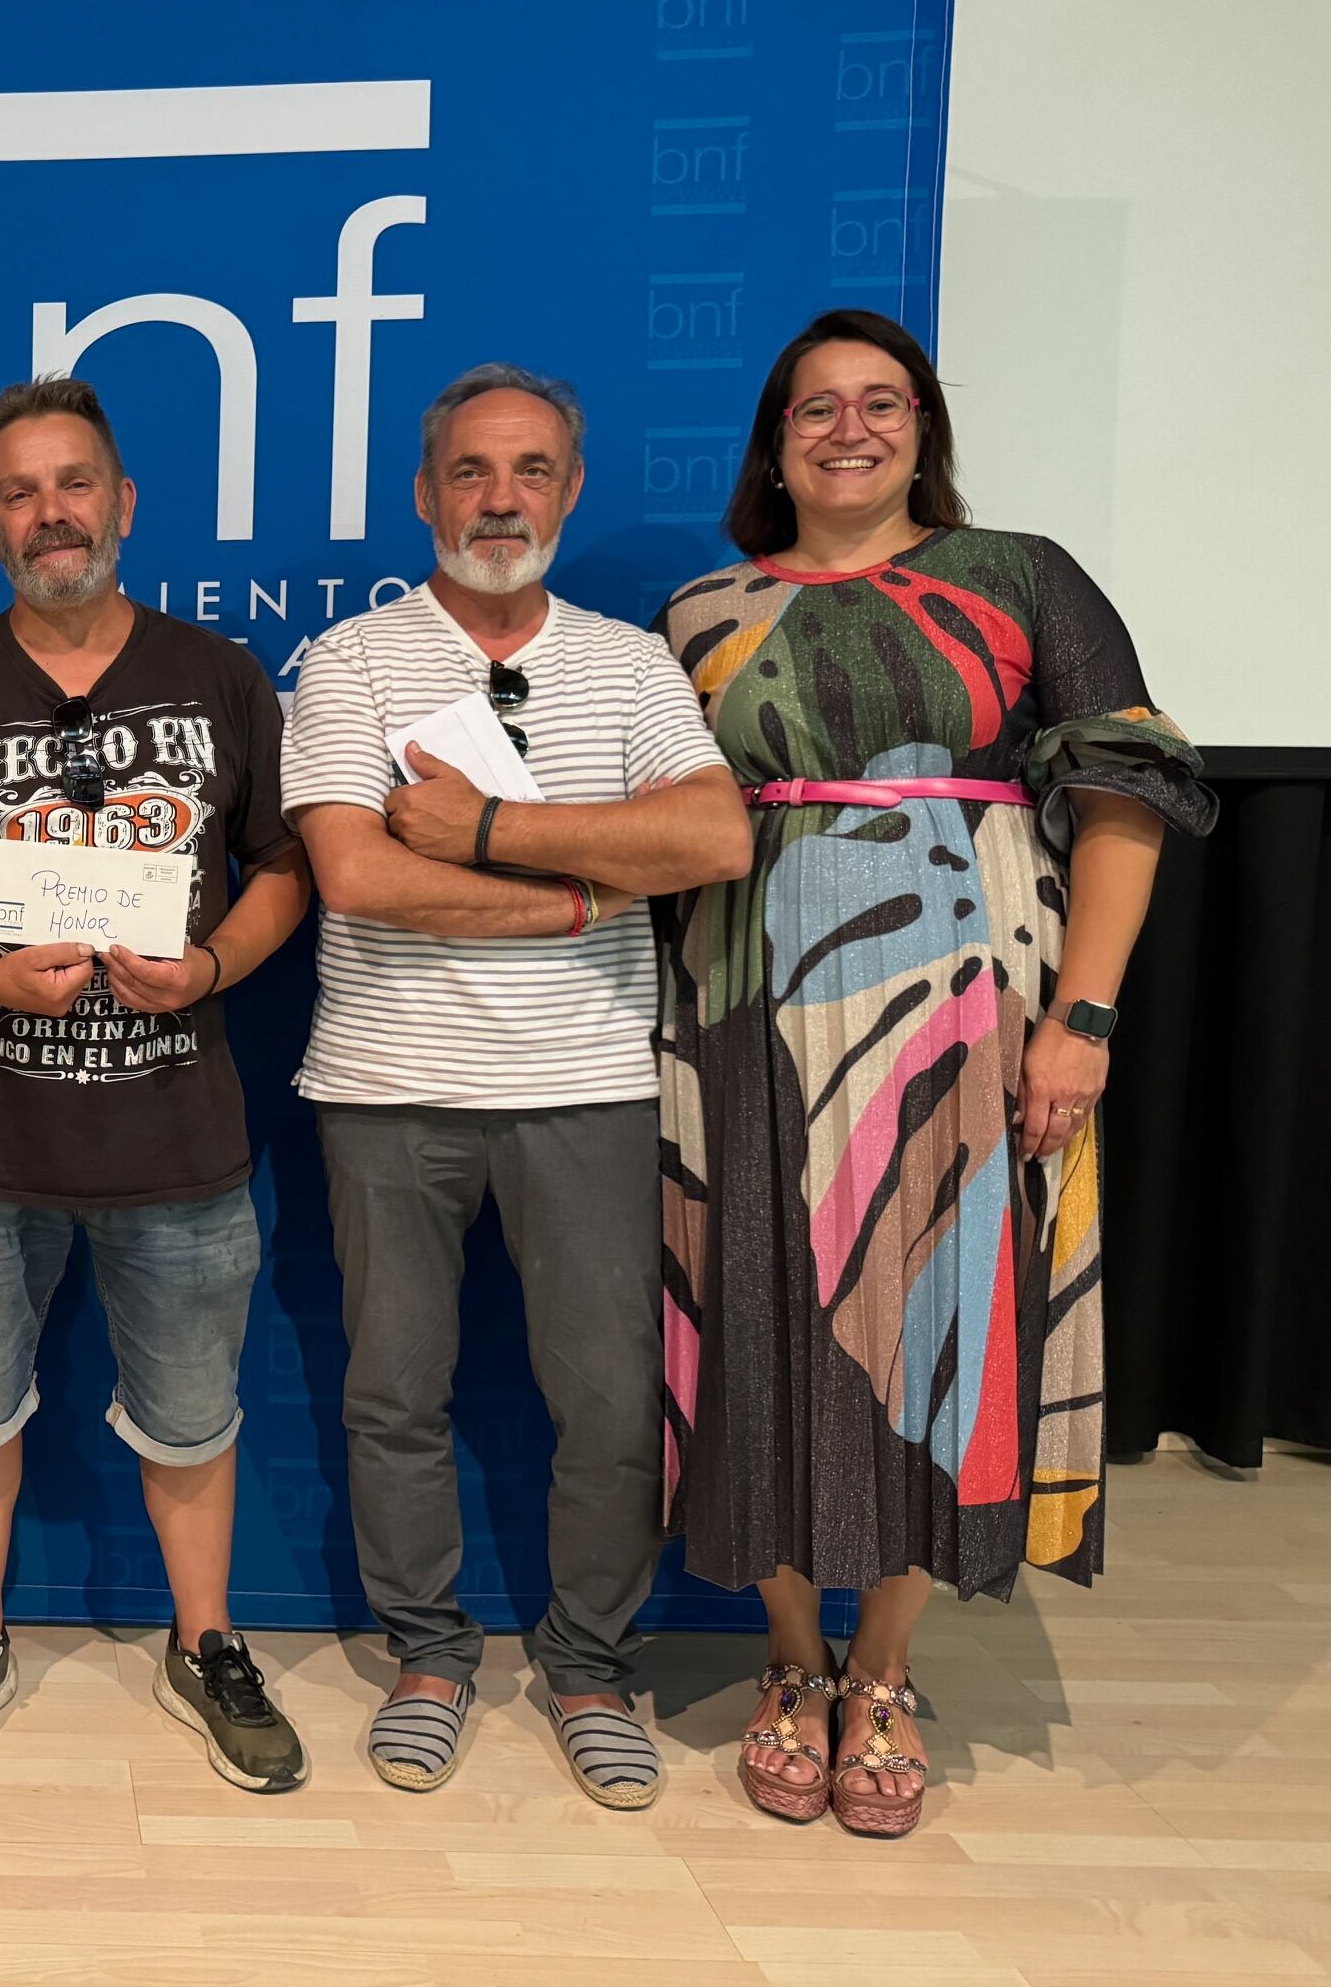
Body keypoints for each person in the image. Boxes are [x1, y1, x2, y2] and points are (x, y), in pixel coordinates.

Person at [658, 310, 1213, 1837]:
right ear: (775, 441)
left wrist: (1080, 1019)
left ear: (924, 425)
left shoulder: (1021, 577)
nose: (850, 427)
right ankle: (787, 1657)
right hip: (733, 1005)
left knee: (946, 1327)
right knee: (754, 1310)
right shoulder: (700, 610)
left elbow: (1125, 795)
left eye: (881, 401)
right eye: (816, 406)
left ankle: (886, 1666)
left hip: (965, 1000)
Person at [281, 362, 751, 1811]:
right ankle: (429, 1652)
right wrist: (576, 890)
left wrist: (487, 826)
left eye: (531, 469)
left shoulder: (630, 661)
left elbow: (716, 837)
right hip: (387, 1082)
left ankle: (590, 1663)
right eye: (473, 472)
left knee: (611, 1401)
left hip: (589, 1085)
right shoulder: (352, 662)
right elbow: (356, 873)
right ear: (426, 495)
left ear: (570, 487)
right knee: (393, 1391)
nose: (501, 498)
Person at [0, 376, 315, 1793]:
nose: (50, 512)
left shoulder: (223, 675)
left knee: (195, 1417)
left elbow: (289, 866)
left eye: (75, 485)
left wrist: (215, 966)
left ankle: (207, 1641)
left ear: (123, 505)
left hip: (177, 1133)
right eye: (20, 492)